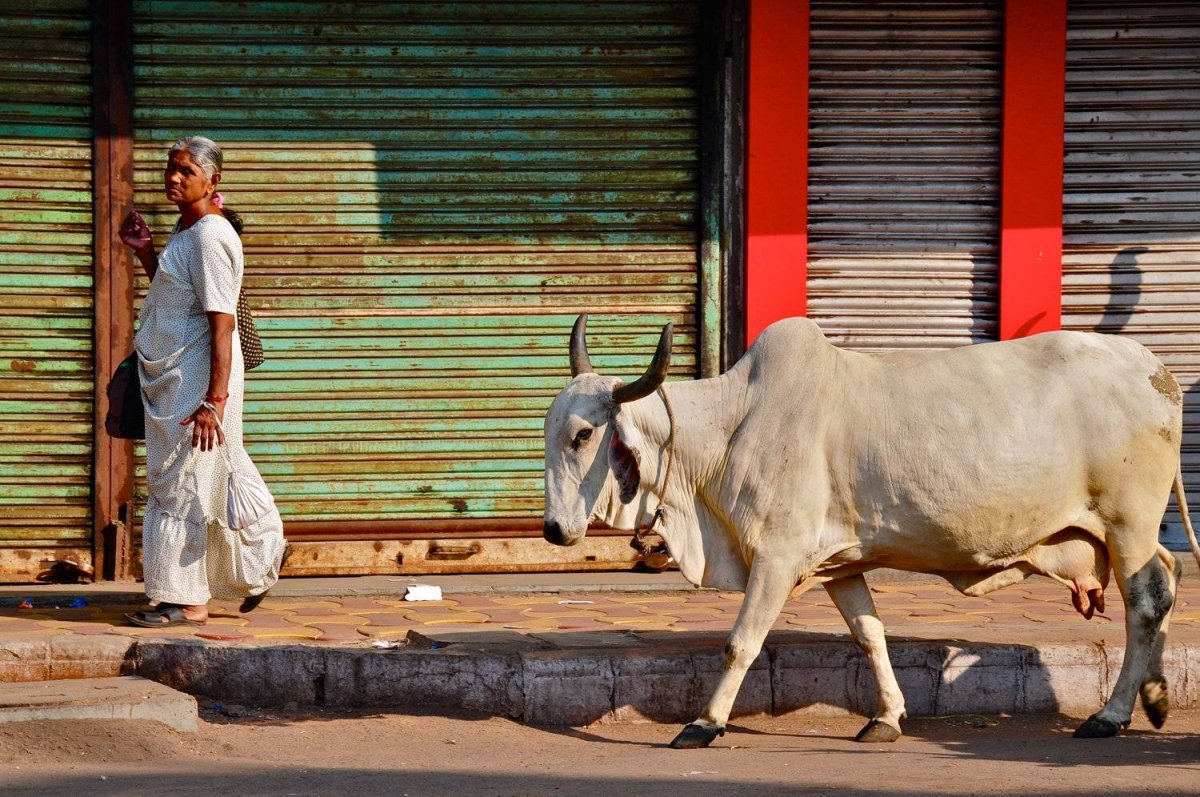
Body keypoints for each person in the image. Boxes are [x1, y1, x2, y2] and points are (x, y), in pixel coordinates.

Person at [119, 135, 286, 627]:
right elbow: (178, 297)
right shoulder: (188, 231)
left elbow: (222, 323)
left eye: (186, 171)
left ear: (213, 181)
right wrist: (146, 251)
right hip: (176, 378)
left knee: (183, 485)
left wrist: (214, 399)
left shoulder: (211, 236)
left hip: (197, 384)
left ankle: (186, 600)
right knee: (218, 474)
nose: (173, 177)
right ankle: (265, 553)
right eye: (171, 168)